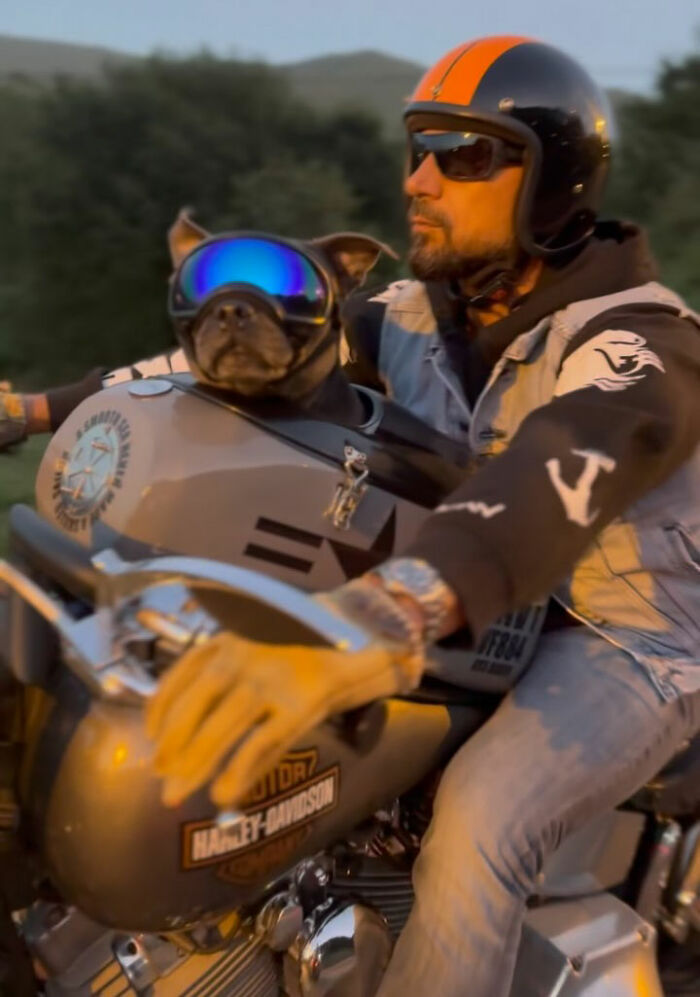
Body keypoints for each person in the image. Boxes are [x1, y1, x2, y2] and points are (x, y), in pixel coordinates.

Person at [13, 36, 700, 997]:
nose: (421, 178)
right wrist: (36, 412)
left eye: (463, 156)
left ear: (552, 183)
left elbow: (562, 464)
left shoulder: (639, 338)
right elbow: (206, 368)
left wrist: (376, 619)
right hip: (484, 603)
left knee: (476, 824)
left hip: (620, 635)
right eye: (418, 147)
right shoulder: (417, 314)